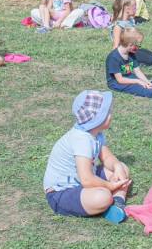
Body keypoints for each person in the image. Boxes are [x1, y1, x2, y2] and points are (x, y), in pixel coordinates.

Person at [43, 90, 131, 223]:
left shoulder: (96, 133)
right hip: (62, 192)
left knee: (123, 168)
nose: (110, 112)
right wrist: (110, 186)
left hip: (85, 180)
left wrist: (117, 166)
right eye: (106, 111)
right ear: (97, 119)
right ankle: (109, 200)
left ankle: (118, 202)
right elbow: (86, 180)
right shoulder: (82, 139)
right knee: (103, 197)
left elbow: (107, 157)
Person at [105, 28, 152, 99]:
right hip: (116, 83)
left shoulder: (131, 54)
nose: (139, 48)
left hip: (129, 77)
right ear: (130, 45)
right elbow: (120, 80)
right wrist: (138, 81)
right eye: (138, 46)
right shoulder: (114, 57)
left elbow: (138, 72)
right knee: (140, 88)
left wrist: (146, 81)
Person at [109, 0, 152, 67]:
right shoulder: (118, 26)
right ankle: (130, 64)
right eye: (134, 7)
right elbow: (115, 45)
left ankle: (134, 61)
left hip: (133, 49)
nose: (136, 9)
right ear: (127, 9)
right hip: (125, 53)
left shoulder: (130, 21)